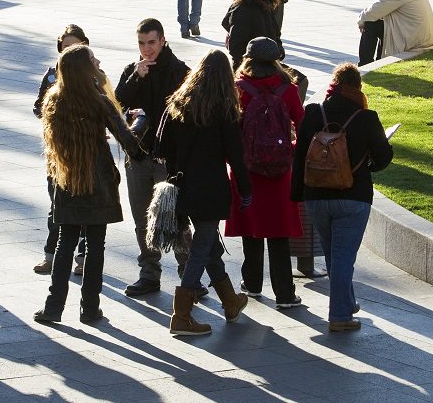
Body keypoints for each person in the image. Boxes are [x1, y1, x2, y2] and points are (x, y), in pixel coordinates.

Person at [35, 45, 146, 325]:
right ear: (85, 70)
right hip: (98, 182)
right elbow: (129, 143)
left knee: (64, 244)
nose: (97, 62)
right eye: (92, 60)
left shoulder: (55, 101)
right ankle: (90, 308)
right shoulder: (99, 101)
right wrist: (141, 122)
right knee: (96, 246)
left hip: (68, 179)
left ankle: (53, 307)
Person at [291, 62, 393, 332]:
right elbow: (383, 157)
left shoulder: (313, 113)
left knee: (334, 254)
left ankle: (346, 303)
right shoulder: (366, 117)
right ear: (357, 88)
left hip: (316, 196)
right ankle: (339, 316)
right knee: (344, 256)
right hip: (353, 196)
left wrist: (297, 194)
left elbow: (300, 154)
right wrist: (367, 165)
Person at [158, 50, 253, 336]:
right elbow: (236, 157)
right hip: (211, 189)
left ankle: (230, 301)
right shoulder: (224, 109)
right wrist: (246, 191)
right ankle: (181, 315)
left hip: (183, 187)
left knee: (208, 245)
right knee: (201, 248)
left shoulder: (177, 103)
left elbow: (160, 148)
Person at [225, 37, 304, 308]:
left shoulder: (238, 89)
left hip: (248, 170)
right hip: (280, 172)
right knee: (278, 233)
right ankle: (285, 294)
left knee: (252, 228)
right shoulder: (289, 90)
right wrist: (290, 149)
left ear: (248, 59)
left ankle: (253, 284)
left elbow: (230, 130)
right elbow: (302, 125)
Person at [114, 19, 190, 297]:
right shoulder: (132, 71)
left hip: (168, 160)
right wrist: (136, 78)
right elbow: (116, 104)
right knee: (141, 217)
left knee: (176, 216)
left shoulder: (179, 71)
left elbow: (186, 113)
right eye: (141, 44)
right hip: (137, 156)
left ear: (163, 40)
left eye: (151, 43)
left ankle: (188, 273)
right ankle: (149, 273)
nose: (147, 49)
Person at [32, 24, 90, 276]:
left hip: (85, 152)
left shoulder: (93, 74)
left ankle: (83, 257)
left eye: (75, 46)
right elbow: (38, 107)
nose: (69, 52)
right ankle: (50, 255)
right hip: (57, 153)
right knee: (56, 204)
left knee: (87, 207)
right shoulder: (51, 76)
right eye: (65, 47)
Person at [222, 0, 282, 68]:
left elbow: (276, 35)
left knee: (300, 80)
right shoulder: (242, 10)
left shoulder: (267, 6)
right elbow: (235, 48)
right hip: (247, 67)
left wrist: (279, 51)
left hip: (269, 63)